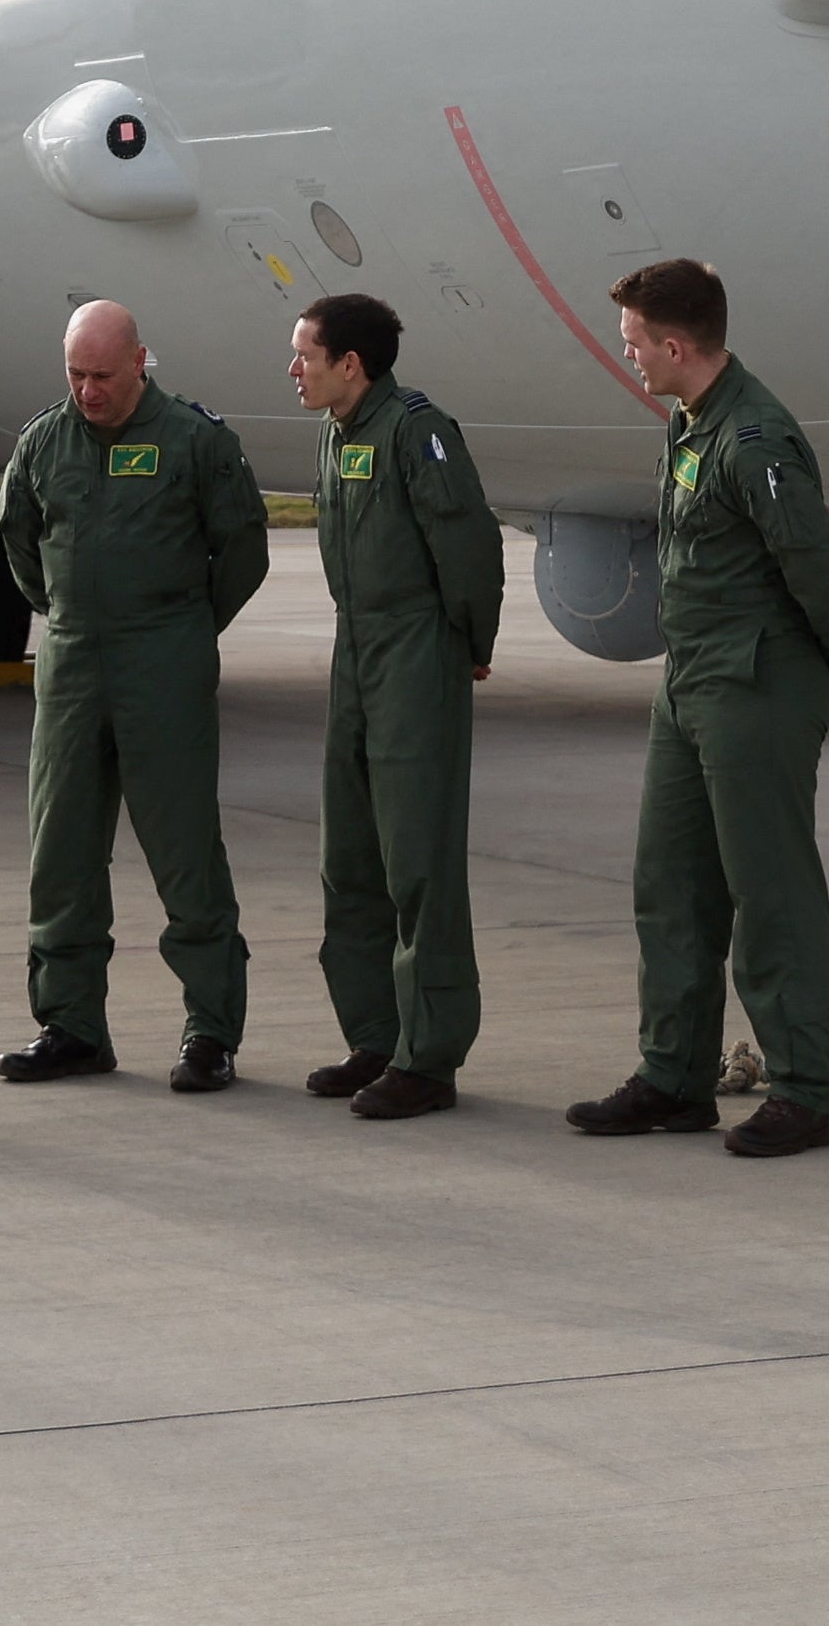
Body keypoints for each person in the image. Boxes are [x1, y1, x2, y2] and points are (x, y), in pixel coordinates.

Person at [563, 256, 829, 1160]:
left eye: (634, 345)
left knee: (768, 891)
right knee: (671, 887)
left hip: (753, 683)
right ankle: (673, 1076)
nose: (628, 359)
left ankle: (804, 1090)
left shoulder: (752, 439)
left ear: (674, 343)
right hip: (691, 679)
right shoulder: (691, 421)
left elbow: (819, 567)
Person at [0, 299, 268, 1091]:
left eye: (102, 374)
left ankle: (210, 1030)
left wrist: (185, 626)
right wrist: (68, 613)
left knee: (184, 852)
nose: (88, 390)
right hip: (73, 662)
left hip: (164, 663)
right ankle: (70, 1024)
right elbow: (18, 536)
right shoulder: (45, 439)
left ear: (140, 360)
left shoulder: (193, 440)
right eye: (75, 374)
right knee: (62, 851)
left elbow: (243, 544)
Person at [296, 289, 497, 1119]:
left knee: (418, 859)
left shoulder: (419, 431)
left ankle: (429, 1054)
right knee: (351, 858)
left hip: (415, 651)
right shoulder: (339, 433)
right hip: (357, 650)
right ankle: (375, 1036)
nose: (294, 368)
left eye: (306, 353)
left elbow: (470, 547)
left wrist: (467, 646)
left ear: (352, 363)